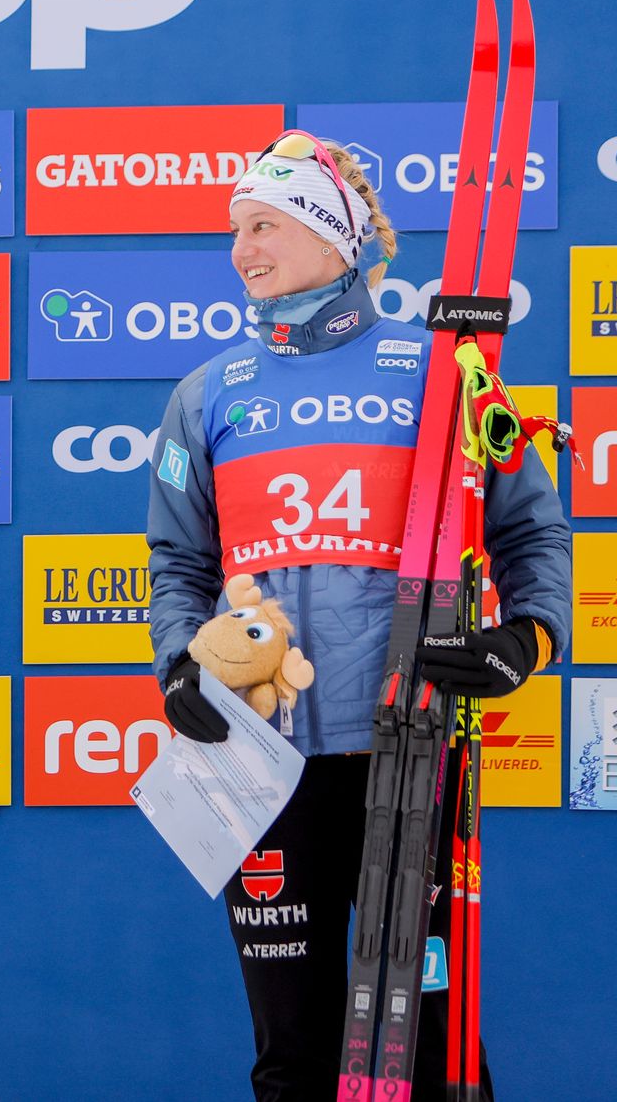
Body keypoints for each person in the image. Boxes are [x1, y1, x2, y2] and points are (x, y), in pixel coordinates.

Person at [146, 131, 571, 1102]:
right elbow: (177, 564)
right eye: (232, 230)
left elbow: (530, 536)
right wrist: (179, 667)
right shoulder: (203, 395)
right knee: (291, 1053)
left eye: (263, 224)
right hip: (261, 762)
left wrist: (526, 638)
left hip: (411, 746)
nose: (239, 249)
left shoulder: (444, 375)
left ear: (333, 236)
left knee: (428, 1048)